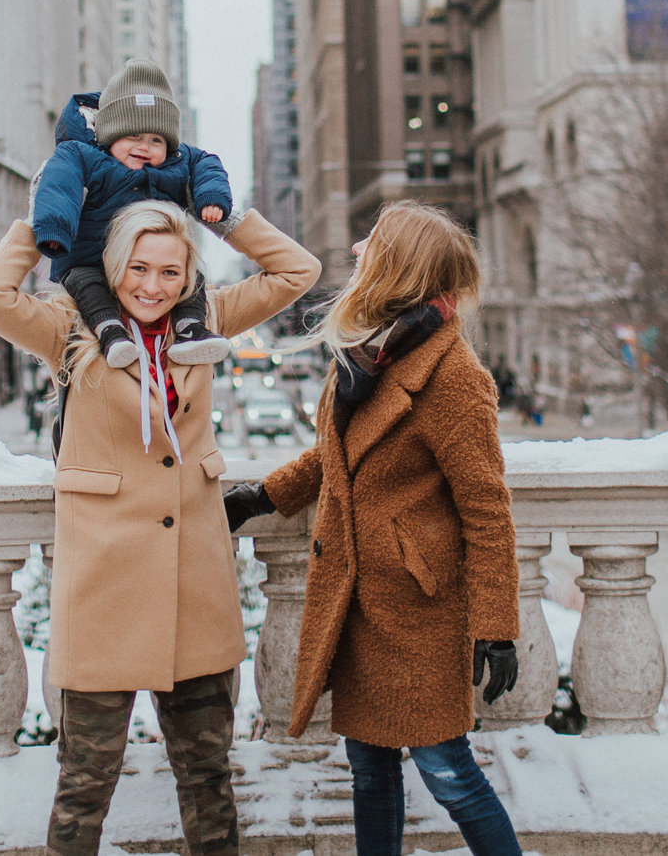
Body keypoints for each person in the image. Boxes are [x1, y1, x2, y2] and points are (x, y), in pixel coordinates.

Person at [0, 196, 319, 856]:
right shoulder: (71, 326)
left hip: (196, 586)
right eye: (139, 268)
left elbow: (297, 271)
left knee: (209, 778)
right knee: (84, 784)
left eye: (169, 271)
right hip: (103, 590)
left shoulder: (207, 319)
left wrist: (224, 213)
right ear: (113, 265)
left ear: (188, 276)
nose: (152, 285)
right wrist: (46, 214)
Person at [223, 202, 523, 856]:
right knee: (369, 769)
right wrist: (259, 496)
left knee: (450, 774)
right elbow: (335, 457)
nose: (359, 248)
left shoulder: (454, 378)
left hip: (417, 612)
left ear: (398, 265)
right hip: (356, 603)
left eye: (374, 242)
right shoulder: (368, 354)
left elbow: (488, 512)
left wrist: (497, 626)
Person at [32, 60, 234, 368]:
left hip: (153, 260)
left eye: (156, 140)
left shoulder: (178, 163)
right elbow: (60, 185)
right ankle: (110, 333)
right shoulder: (84, 157)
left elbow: (208, 165)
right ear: (111, 134)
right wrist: (54, 230)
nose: (144, 147)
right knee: (87, 285)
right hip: (91, 258)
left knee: (191, 277)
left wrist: (212, 199)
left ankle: (190, 330)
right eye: (133, 137)